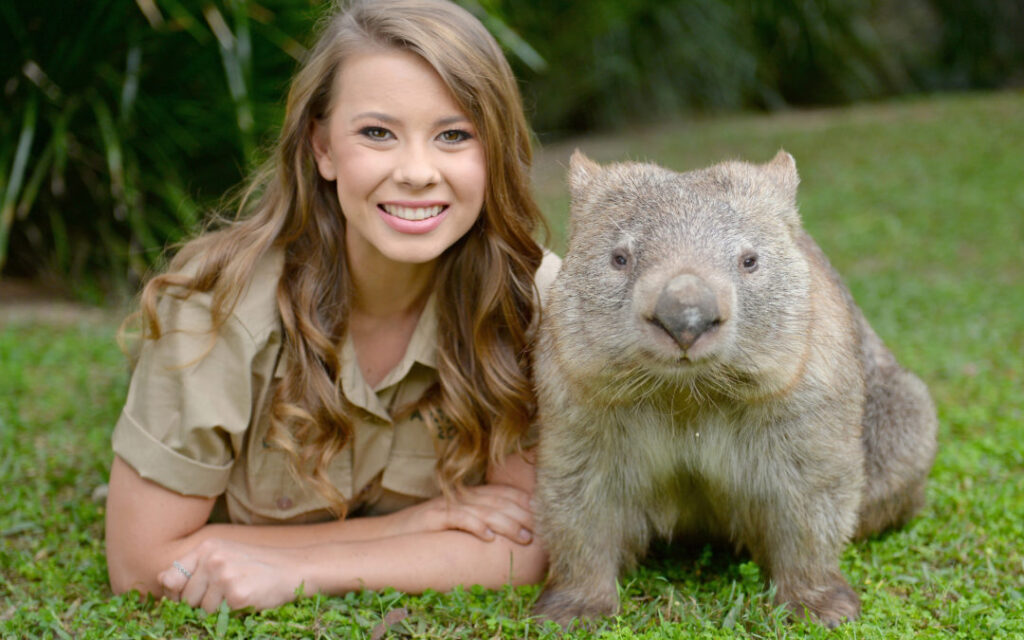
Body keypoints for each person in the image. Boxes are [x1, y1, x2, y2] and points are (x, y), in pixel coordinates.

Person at [104, 0, 559, 613]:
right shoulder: (217, 309)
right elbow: (141, 564)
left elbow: (527, 544)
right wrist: (409, 528)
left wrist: (300, 567)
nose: (417, 172)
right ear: (322, 147)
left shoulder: (531, 302)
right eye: (377, 133)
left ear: (495, 150)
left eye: (454, 135)